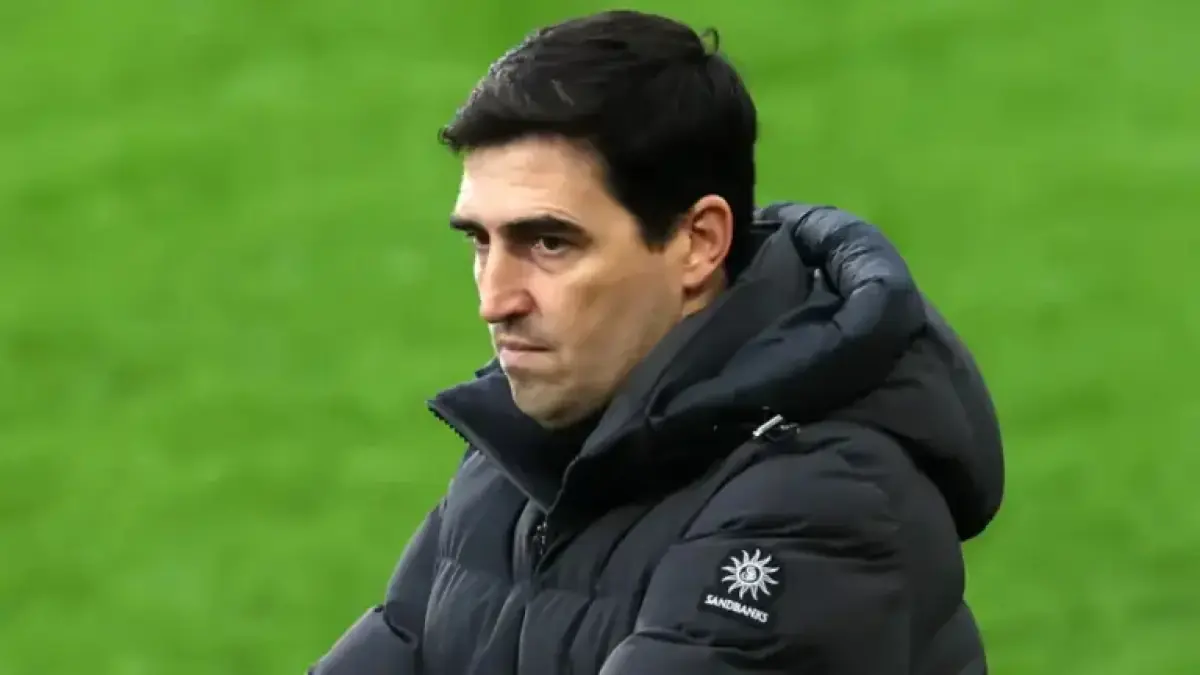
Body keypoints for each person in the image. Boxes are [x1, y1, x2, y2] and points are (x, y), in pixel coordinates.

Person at [309, 10, 1003, 675]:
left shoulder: (823, 501)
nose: (496, 300)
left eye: (548, 242)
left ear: (699, 243)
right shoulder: (521, 447)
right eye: (480, 242)